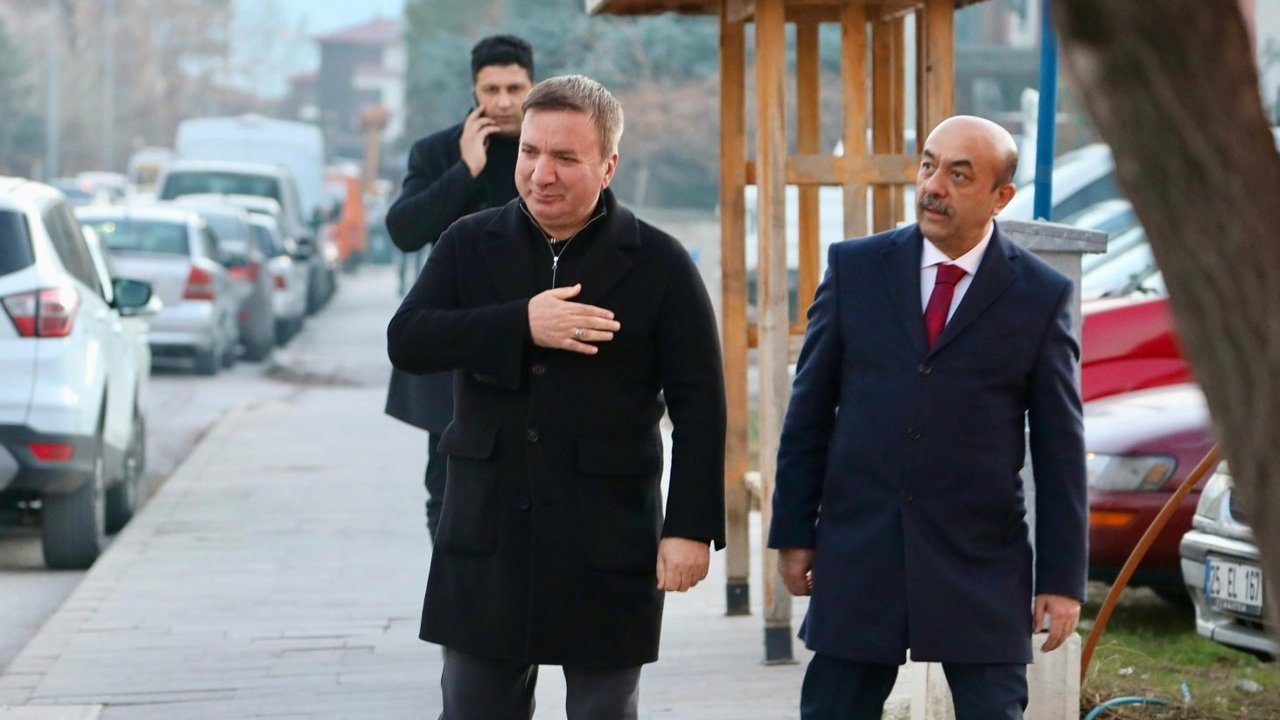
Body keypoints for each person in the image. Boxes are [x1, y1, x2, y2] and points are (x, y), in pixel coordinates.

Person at [387, 74, 726, 719]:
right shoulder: (469, 242)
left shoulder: (659, 262)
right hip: (489, 529)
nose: (542, 174)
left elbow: (701, 405)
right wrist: (520, 323)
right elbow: (408, 339)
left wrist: (690, 529)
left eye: (566, 158)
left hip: (606, 533)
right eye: (530, 152)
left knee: (604, 710)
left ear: (608, 166)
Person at [767, 115, 1088, 720]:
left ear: (1001, 197)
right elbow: (808, 415)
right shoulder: (856, 269)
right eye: (928, 166)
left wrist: (1062, 579)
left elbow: (1061, 452)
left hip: (980, 560)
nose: (933, 186)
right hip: (861, 548)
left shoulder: (1039, 296)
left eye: (959, 176)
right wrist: (793, 532)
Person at [384, 35, 534, 540]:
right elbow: (405, 231)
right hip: (453, 343)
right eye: (491, 89)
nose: (504, 102)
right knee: (449, 491)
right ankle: (452, 584)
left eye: (514, 88)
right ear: (474, 91)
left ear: (532, 86)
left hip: (530, 340)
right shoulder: (437, 151)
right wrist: (464, 170)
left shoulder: (549, 150)